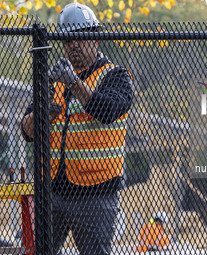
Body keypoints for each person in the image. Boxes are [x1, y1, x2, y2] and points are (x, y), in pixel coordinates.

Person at [21, 3, 134, 255]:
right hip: (52, 193)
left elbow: (107, 111)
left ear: (96, 36)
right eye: (68, 39)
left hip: (95, 195)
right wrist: (41, 110)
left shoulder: (115, 76)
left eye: (81, 37)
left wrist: (73, 81)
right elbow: (26, 132)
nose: (74, 44)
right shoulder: (53, 80)